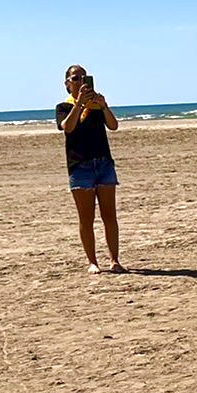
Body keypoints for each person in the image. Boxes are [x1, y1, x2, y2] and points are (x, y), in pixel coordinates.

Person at [55, 64, 123, 273]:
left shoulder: (96, 105)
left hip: (102, 163)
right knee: (86, 218)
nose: (80, 81)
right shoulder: (64, 107)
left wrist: (103, 106)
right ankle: (92, 262)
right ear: (67, 84)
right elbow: (68, 127)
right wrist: (79, 104)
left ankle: (114, 260)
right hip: (80, 166)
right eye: (75, 78)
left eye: (83, 77)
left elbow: (113, 125)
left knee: (109, 215)